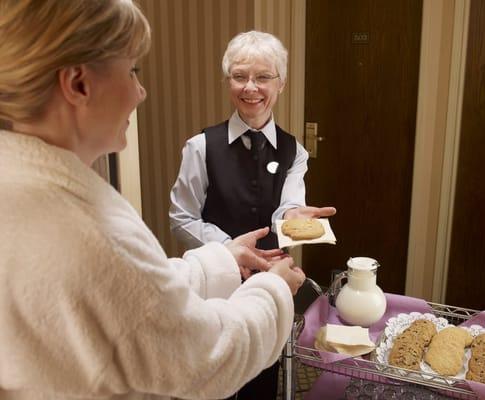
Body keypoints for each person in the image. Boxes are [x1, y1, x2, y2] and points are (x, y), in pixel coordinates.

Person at [0, 1, 306, 400]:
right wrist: (275, 291)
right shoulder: (89, 231)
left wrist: (221, 258)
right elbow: (204, 358)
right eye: (131, 70)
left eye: (264, 77)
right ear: (78, 83)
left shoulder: (27, 186)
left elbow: (138, 296)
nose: (141, 92)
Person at [169, 31, 336, 399]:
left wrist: (296, 217)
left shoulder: (295, 152)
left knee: (262, 379)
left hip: (272, 284)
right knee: (213, 382)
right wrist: (229, 250)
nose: (251, 88)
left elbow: (286, 207)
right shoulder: (201, 147)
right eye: (240, 76)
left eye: (263, 77)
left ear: (281, 84)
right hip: (213, 290)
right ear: (228, 81)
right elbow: (181, 218)